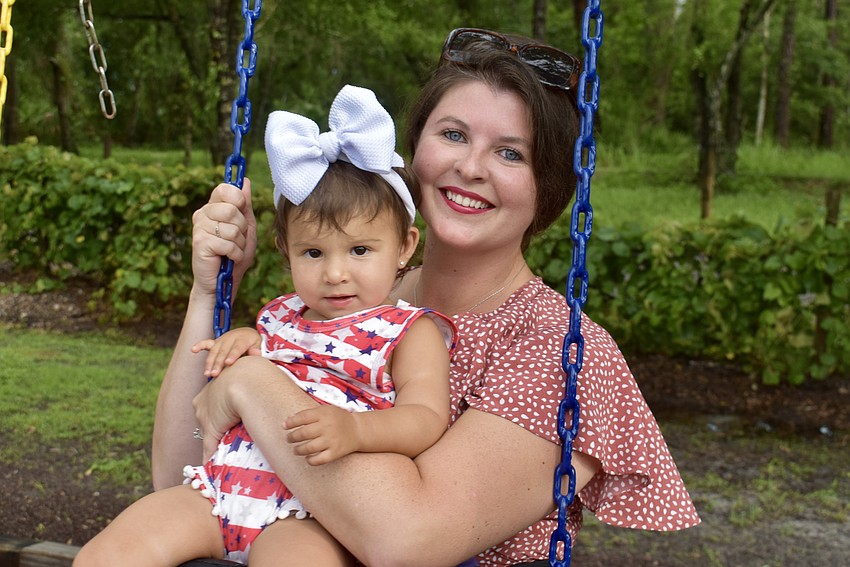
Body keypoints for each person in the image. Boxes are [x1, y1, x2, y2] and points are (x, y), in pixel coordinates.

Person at [151, 28, 701, 566]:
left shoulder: (561, 352)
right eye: (454, 135)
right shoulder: (354, 295)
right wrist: (208, 294)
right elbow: (182, 473)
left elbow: (405, 540)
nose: (470, 167)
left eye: (511, 154)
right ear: (413, 151)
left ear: (550, 188)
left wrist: (252, 383)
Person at [73, 85, 458, 566]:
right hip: (219, 492)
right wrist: (243, 342)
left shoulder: (409, 331)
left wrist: (358, 432)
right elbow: (255, 380)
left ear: (404, 246)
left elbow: (426, 418)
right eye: (313, 253)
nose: (335, 273)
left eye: (360, 250)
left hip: (309, 514)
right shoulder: (279, 317)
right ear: (287, 251)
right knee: (112, 551)